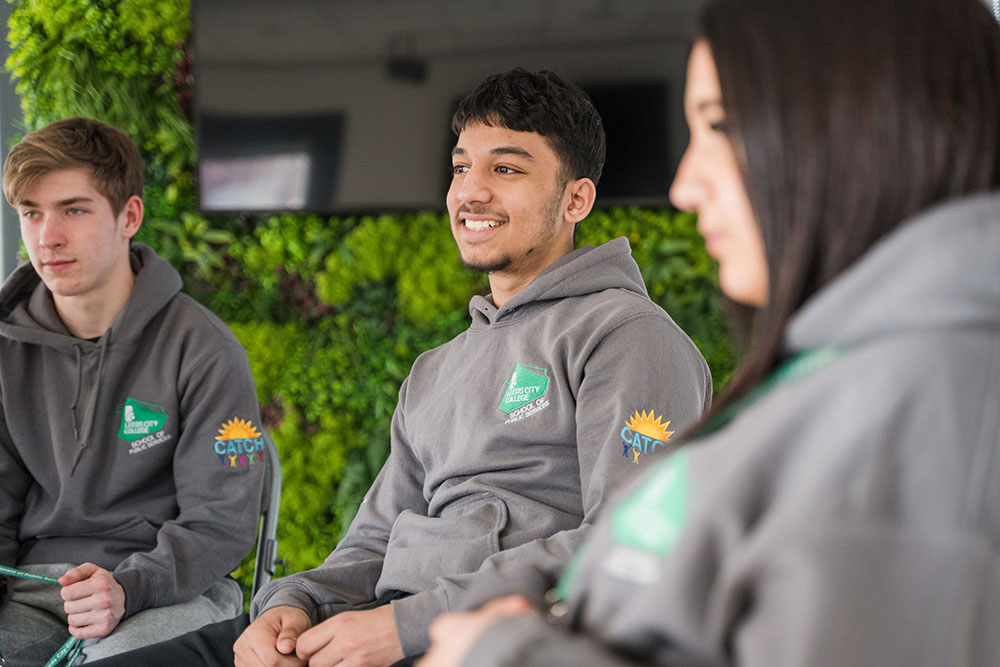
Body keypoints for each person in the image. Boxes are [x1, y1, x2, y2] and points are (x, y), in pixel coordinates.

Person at [420, 0, 1000, 665]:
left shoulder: (937, 407)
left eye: (721, 125)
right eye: (462, 166)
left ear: (863, 123)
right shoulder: (846, 371)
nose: (685, 184)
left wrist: (498, 650)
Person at [88, 69, 713, 667]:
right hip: (381, 626)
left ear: (576, 198)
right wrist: (293, 605)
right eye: (462, 166)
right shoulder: (435, 370)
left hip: (491, 642)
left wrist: (407, 628)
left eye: (506, 168)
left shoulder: (629, 338)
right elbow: (372, 541)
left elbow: (630, 546)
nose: (470, 190)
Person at [0, 117, 266, 664]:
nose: (47, 237)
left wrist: (128, 588)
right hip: (30, 588)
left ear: (129, 216)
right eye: (31, 213)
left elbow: (222, 523)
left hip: (168, 591)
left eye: (74, 210)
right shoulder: (5, 350)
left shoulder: (208, 352)